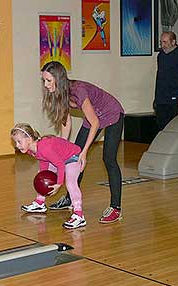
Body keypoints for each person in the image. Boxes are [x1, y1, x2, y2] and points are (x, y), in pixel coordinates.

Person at [41, 61, 124, 223]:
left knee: (109, 159)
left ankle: (116, 208)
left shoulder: (78, 91)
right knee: (73, 156)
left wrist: (85, 152)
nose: (46, 85)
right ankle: (70, 199)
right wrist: (61, 147)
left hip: (112, 113)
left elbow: (95, 123)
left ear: (58, 78)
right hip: (94, 116)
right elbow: (66, 122)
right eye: (44, 80)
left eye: (48, 80)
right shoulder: (59, 92)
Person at [11, 123, 86, 229]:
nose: (17, 145)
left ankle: (79, 215)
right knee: (40, 174)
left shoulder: (44, 148)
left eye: (19, 141)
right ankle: (39, 203)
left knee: (70, 183)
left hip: (73, 157)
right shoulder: (31, 150)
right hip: (60, 158)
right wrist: (41, 176)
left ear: (29, 139)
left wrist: (59, 183)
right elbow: (44, 161)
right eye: (15, 142)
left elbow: (60, 165)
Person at [154, 31, 178, 130]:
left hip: (175, 96)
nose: (163, 45)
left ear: (173, 42)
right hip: (161, 97)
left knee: (174, 126)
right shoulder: (161, 56)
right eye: (161, 42)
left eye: (165, 42)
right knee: (162, 126)